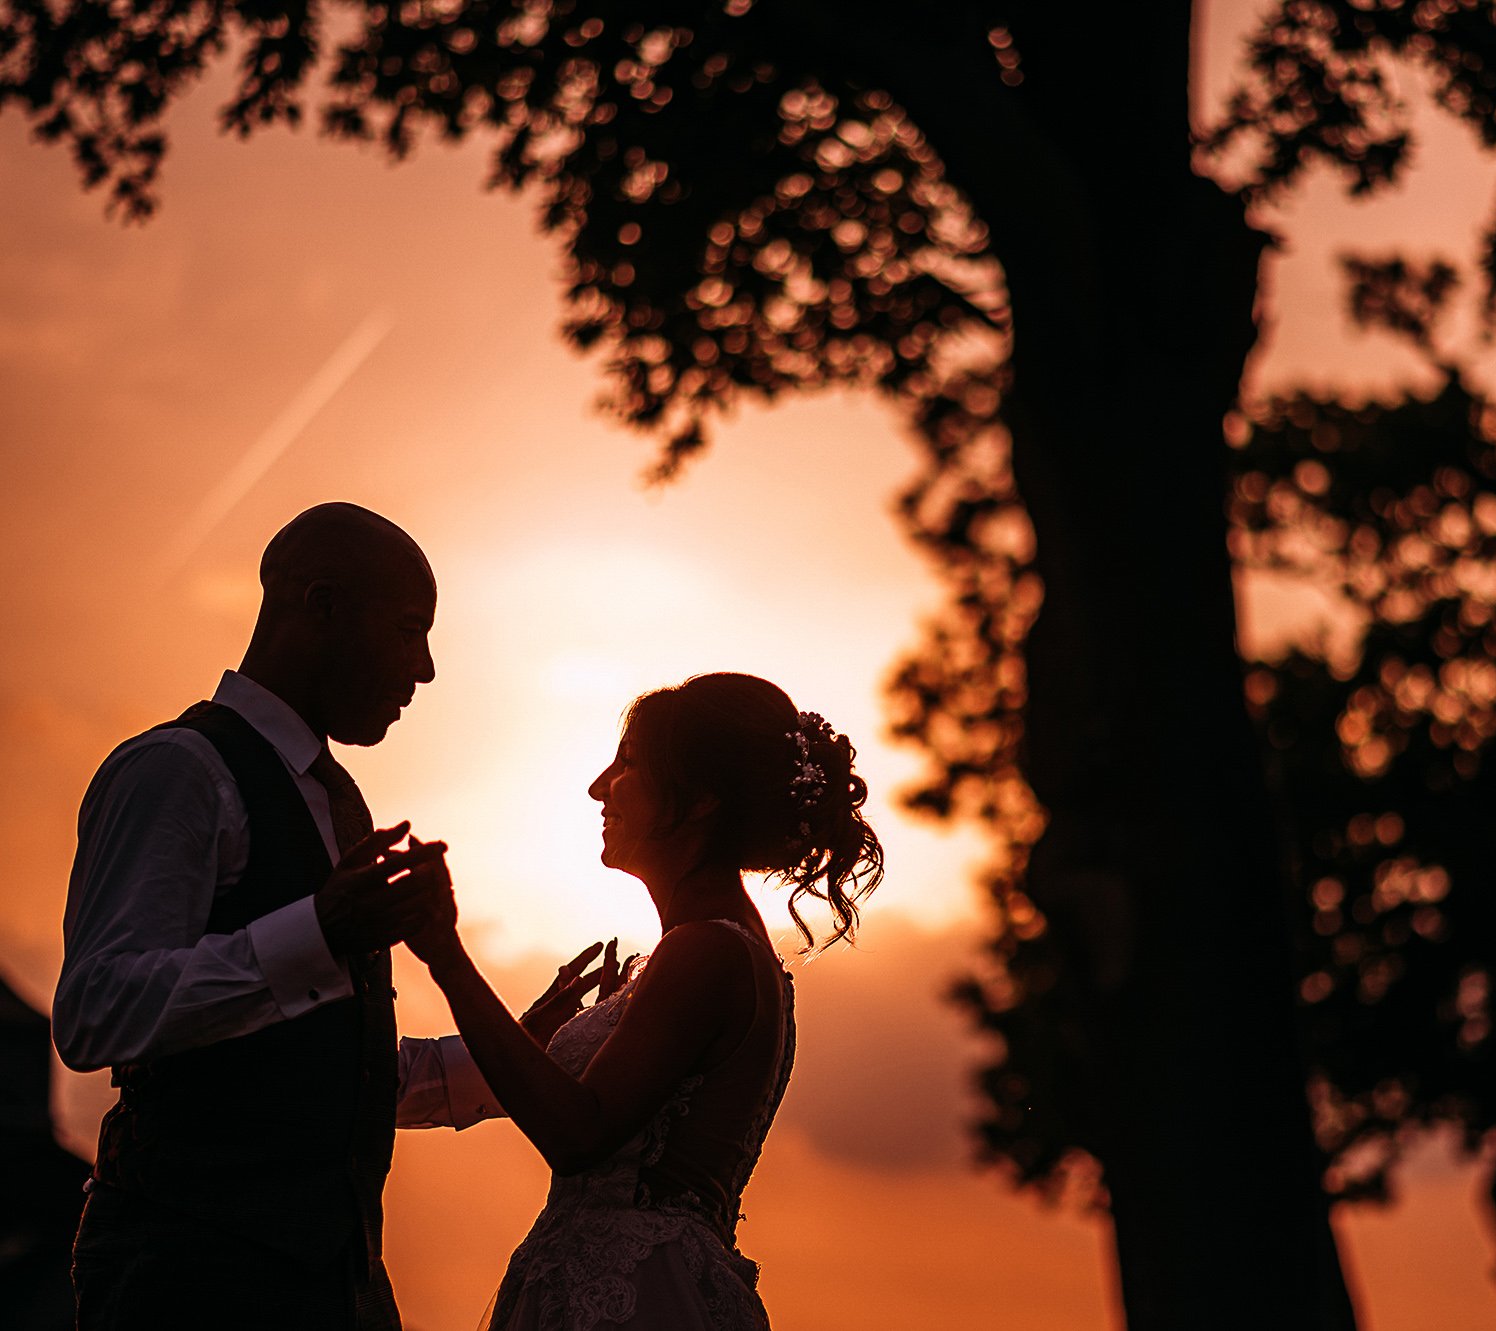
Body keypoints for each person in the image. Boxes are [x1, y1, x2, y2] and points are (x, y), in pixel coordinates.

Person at [54, 503, 589, 1330]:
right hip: (188, 1282)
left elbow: (324, 1067)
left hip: (337, 1289)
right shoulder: (176, 771)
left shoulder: (336, 799)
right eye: (411, 629)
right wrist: (319, 930)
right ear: (322, 603)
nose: (427, 668)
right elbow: (96, 1012)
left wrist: (510, 1048)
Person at [405, 672, 883, 1330]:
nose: (600, 786)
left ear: (702, 798)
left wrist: (448, 957)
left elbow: (579, 1132)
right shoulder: (701, 949)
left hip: (637, 1300)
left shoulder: (707, 952)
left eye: (627, 763)